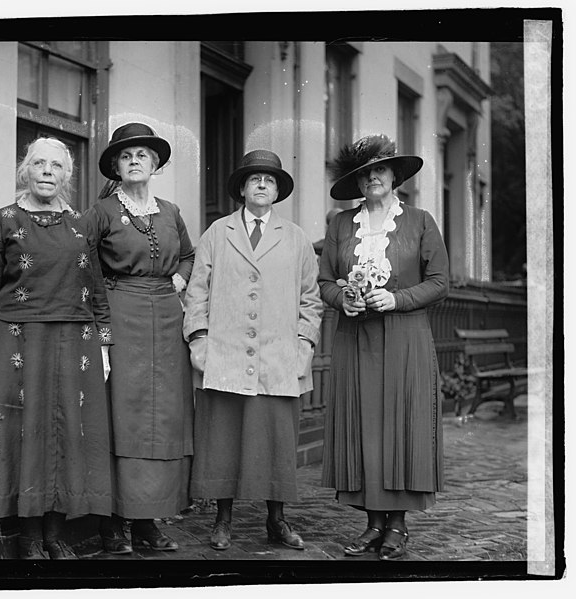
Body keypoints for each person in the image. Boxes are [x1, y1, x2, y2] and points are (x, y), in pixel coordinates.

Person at [0, 137, 113, 560]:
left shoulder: (80, 224)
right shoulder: (4, 220)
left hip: (76, 339)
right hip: (19, 337)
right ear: (25, 171)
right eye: (39, 164)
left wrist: (104, 346)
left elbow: (97, 290)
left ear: (67, 175)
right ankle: (28, 537)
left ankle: (54, 534)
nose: (48, 171)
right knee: (27, 434)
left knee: (70, 432)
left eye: (56, 166)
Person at [183, 149, 323, 551]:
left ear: (277, 191)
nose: (262, 185)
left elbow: (311, 299)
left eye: (270, 180)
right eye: (255, 179)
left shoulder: (295, 238)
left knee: (276, 440)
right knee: (222, 437)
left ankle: (276, 520)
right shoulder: (217, 233)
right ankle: (222, 520)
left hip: (278, 356)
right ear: (242, 188)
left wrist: (304, 344)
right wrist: (199, 339)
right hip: (224, 354)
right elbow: (197, 293)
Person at [318, 134, 449, 560]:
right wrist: (345, 298)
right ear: (356, 182)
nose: (372, 177)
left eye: (380, 169)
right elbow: (324, 281)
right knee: (364, 426)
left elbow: (440, 281)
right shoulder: (340, 224)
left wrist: (398, 298)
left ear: (394, 175)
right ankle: (373, 524)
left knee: (401, 424)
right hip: (356, 338)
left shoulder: (420, 221)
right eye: (364, 173)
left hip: (405, 336)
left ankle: (397, 527)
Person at [85, 122, 195, 554]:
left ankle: (148, 522)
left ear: (155, 165)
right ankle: (113, 524)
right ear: (116, 164)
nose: (135, 162)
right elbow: (86, 264)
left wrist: (181, 281)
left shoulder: (170, 211)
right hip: (120, 311)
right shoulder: (102, 212)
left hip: (167, 318)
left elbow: (187, 253)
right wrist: (102, 326)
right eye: (127, 156)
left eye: (143, 156)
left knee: (161, 417)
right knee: (123, 415)